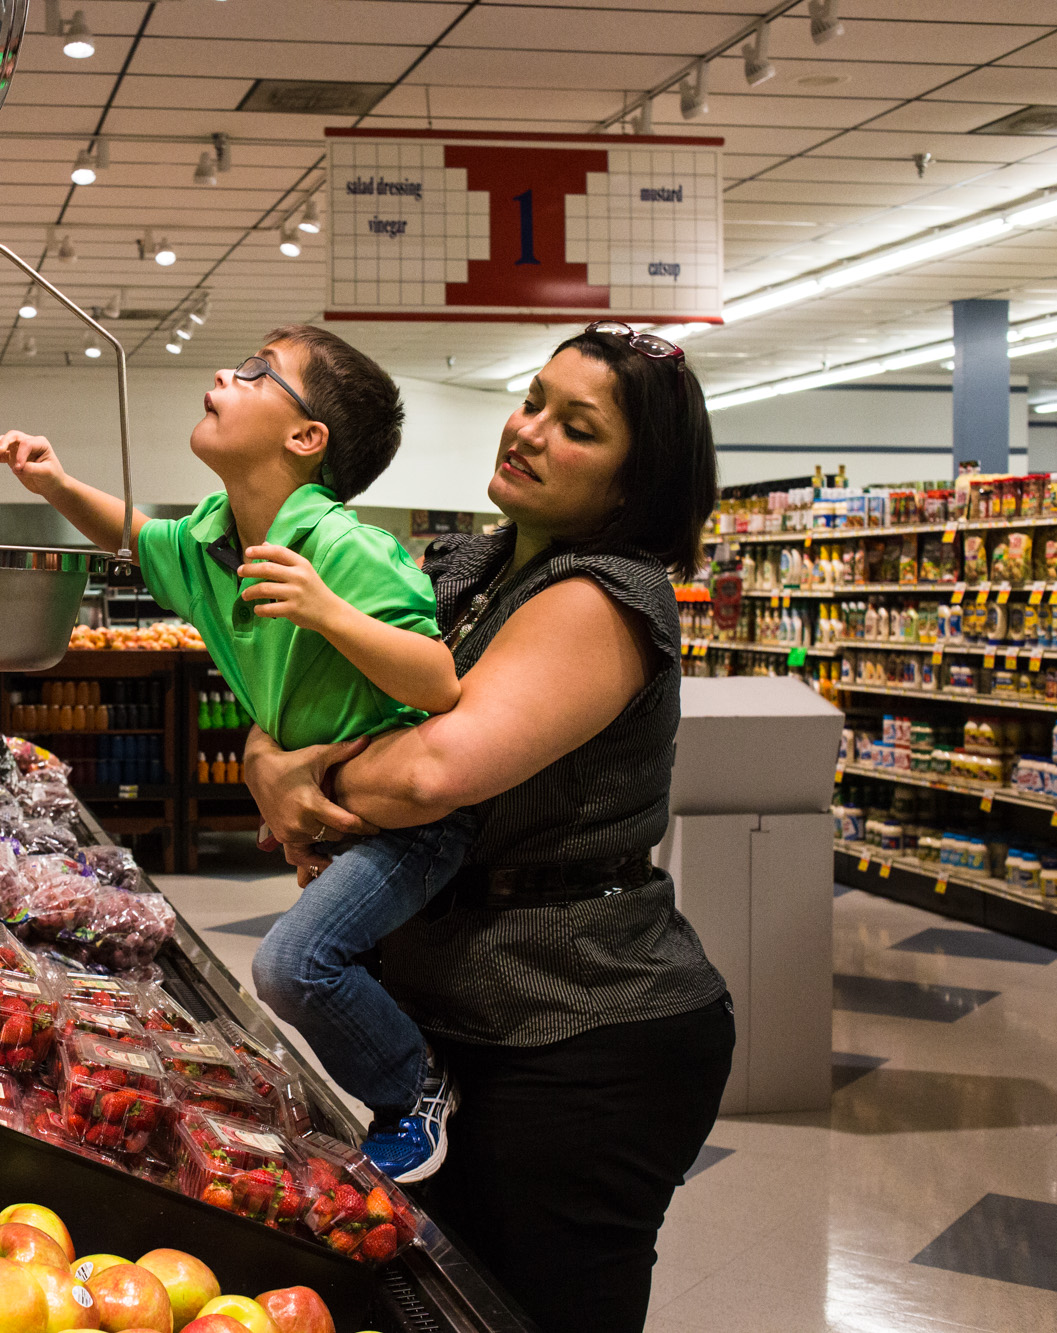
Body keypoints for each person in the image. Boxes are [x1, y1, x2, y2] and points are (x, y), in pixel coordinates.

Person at [241, 321, 734, 1333]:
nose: (527, 430)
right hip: (459, 1008)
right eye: (534, 399)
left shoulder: (602, 597)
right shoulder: (472, 566)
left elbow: (430, 773)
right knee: (441, 1300)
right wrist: (268, 758)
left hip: (581, 1030)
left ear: (631, 486)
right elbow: (303, 699)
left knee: (534, 1309)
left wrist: (299, 781)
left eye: (577, 429)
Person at [0, 324, 476, 1180]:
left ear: (305, 438)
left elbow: (437, 682)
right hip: (339, 817)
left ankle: (418, 1088)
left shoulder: (342, 548)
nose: (224, 373)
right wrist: (55, 481)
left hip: (410, 823)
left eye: (255, 373)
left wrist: (330, 611)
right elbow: (136, 536)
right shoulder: (218, 535)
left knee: (292, 964)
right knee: (340, 961)